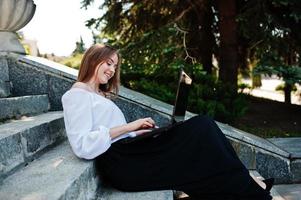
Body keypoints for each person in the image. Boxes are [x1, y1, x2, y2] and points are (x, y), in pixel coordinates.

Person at [61, 44, 274, 200]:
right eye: (108, 63)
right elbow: (82, 145)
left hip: (131, 151)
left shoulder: (97, 94)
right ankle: (249, 184)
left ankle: (246, 182)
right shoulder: (76, 95)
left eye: (115, 66)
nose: (112, 70)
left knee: (203, 133)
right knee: (202, 127)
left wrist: (138, 132)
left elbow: (111, 131)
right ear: (92, 59)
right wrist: (131, 127)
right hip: (124, 163)